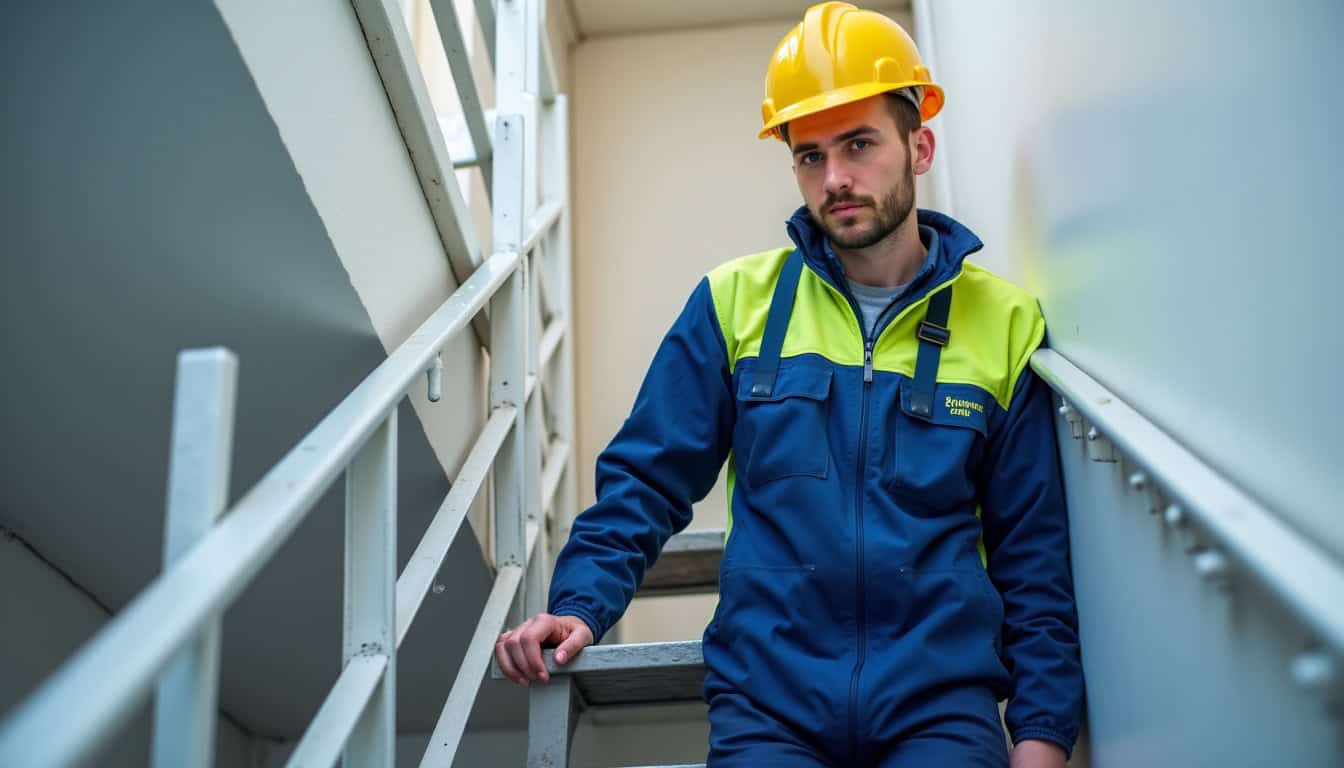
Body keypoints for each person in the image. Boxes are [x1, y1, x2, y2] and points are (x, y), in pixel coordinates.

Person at [494, 3, 1083, 766]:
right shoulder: (734, 303)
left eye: (859, 144)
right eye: (810, 156)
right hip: (768, 706)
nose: (834, 178)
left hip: (941, 708)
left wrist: (1042, 737)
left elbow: (1032, 557)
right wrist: (580, 604)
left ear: (920, 145)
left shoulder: (1003, 323)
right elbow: (646, 478)